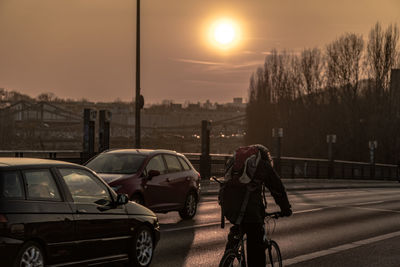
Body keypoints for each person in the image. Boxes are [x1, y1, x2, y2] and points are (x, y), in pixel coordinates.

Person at [224, 144, 292, 267]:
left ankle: (228, 257)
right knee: (256, 244)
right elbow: (277, 188)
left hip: (229, 208)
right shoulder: (263, 165)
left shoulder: (238, 163)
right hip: (250, 213)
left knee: (237, 230)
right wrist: (285, 209)